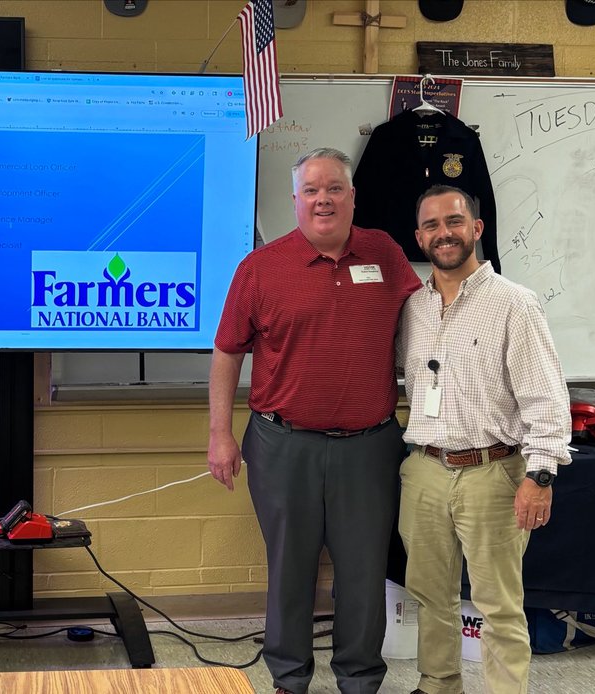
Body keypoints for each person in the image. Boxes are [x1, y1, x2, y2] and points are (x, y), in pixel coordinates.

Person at [208, 147, 421, 694]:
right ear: (295, 200)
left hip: (371, 446)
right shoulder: (259, 268)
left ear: (353, 197)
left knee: (363, 572)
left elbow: (425, 328)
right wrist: (219, 434)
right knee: (289, 570)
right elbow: (228, 351)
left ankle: (359, 678)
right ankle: (289, 678)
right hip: (281, 443)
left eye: (334, 189)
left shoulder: (386, 253)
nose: (323, 199)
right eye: (311, 190)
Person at [396, 185, 571, 694]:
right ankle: (438, 684)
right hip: (425, 469)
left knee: (497, 605)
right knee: (430, 596)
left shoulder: (515, 305)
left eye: (453, 222)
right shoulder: (413, 309)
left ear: (476, 228)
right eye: (430, 225)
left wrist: (540, 475)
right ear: (418, 237)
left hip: (491, 472)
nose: (442, 234)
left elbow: (545, 398)